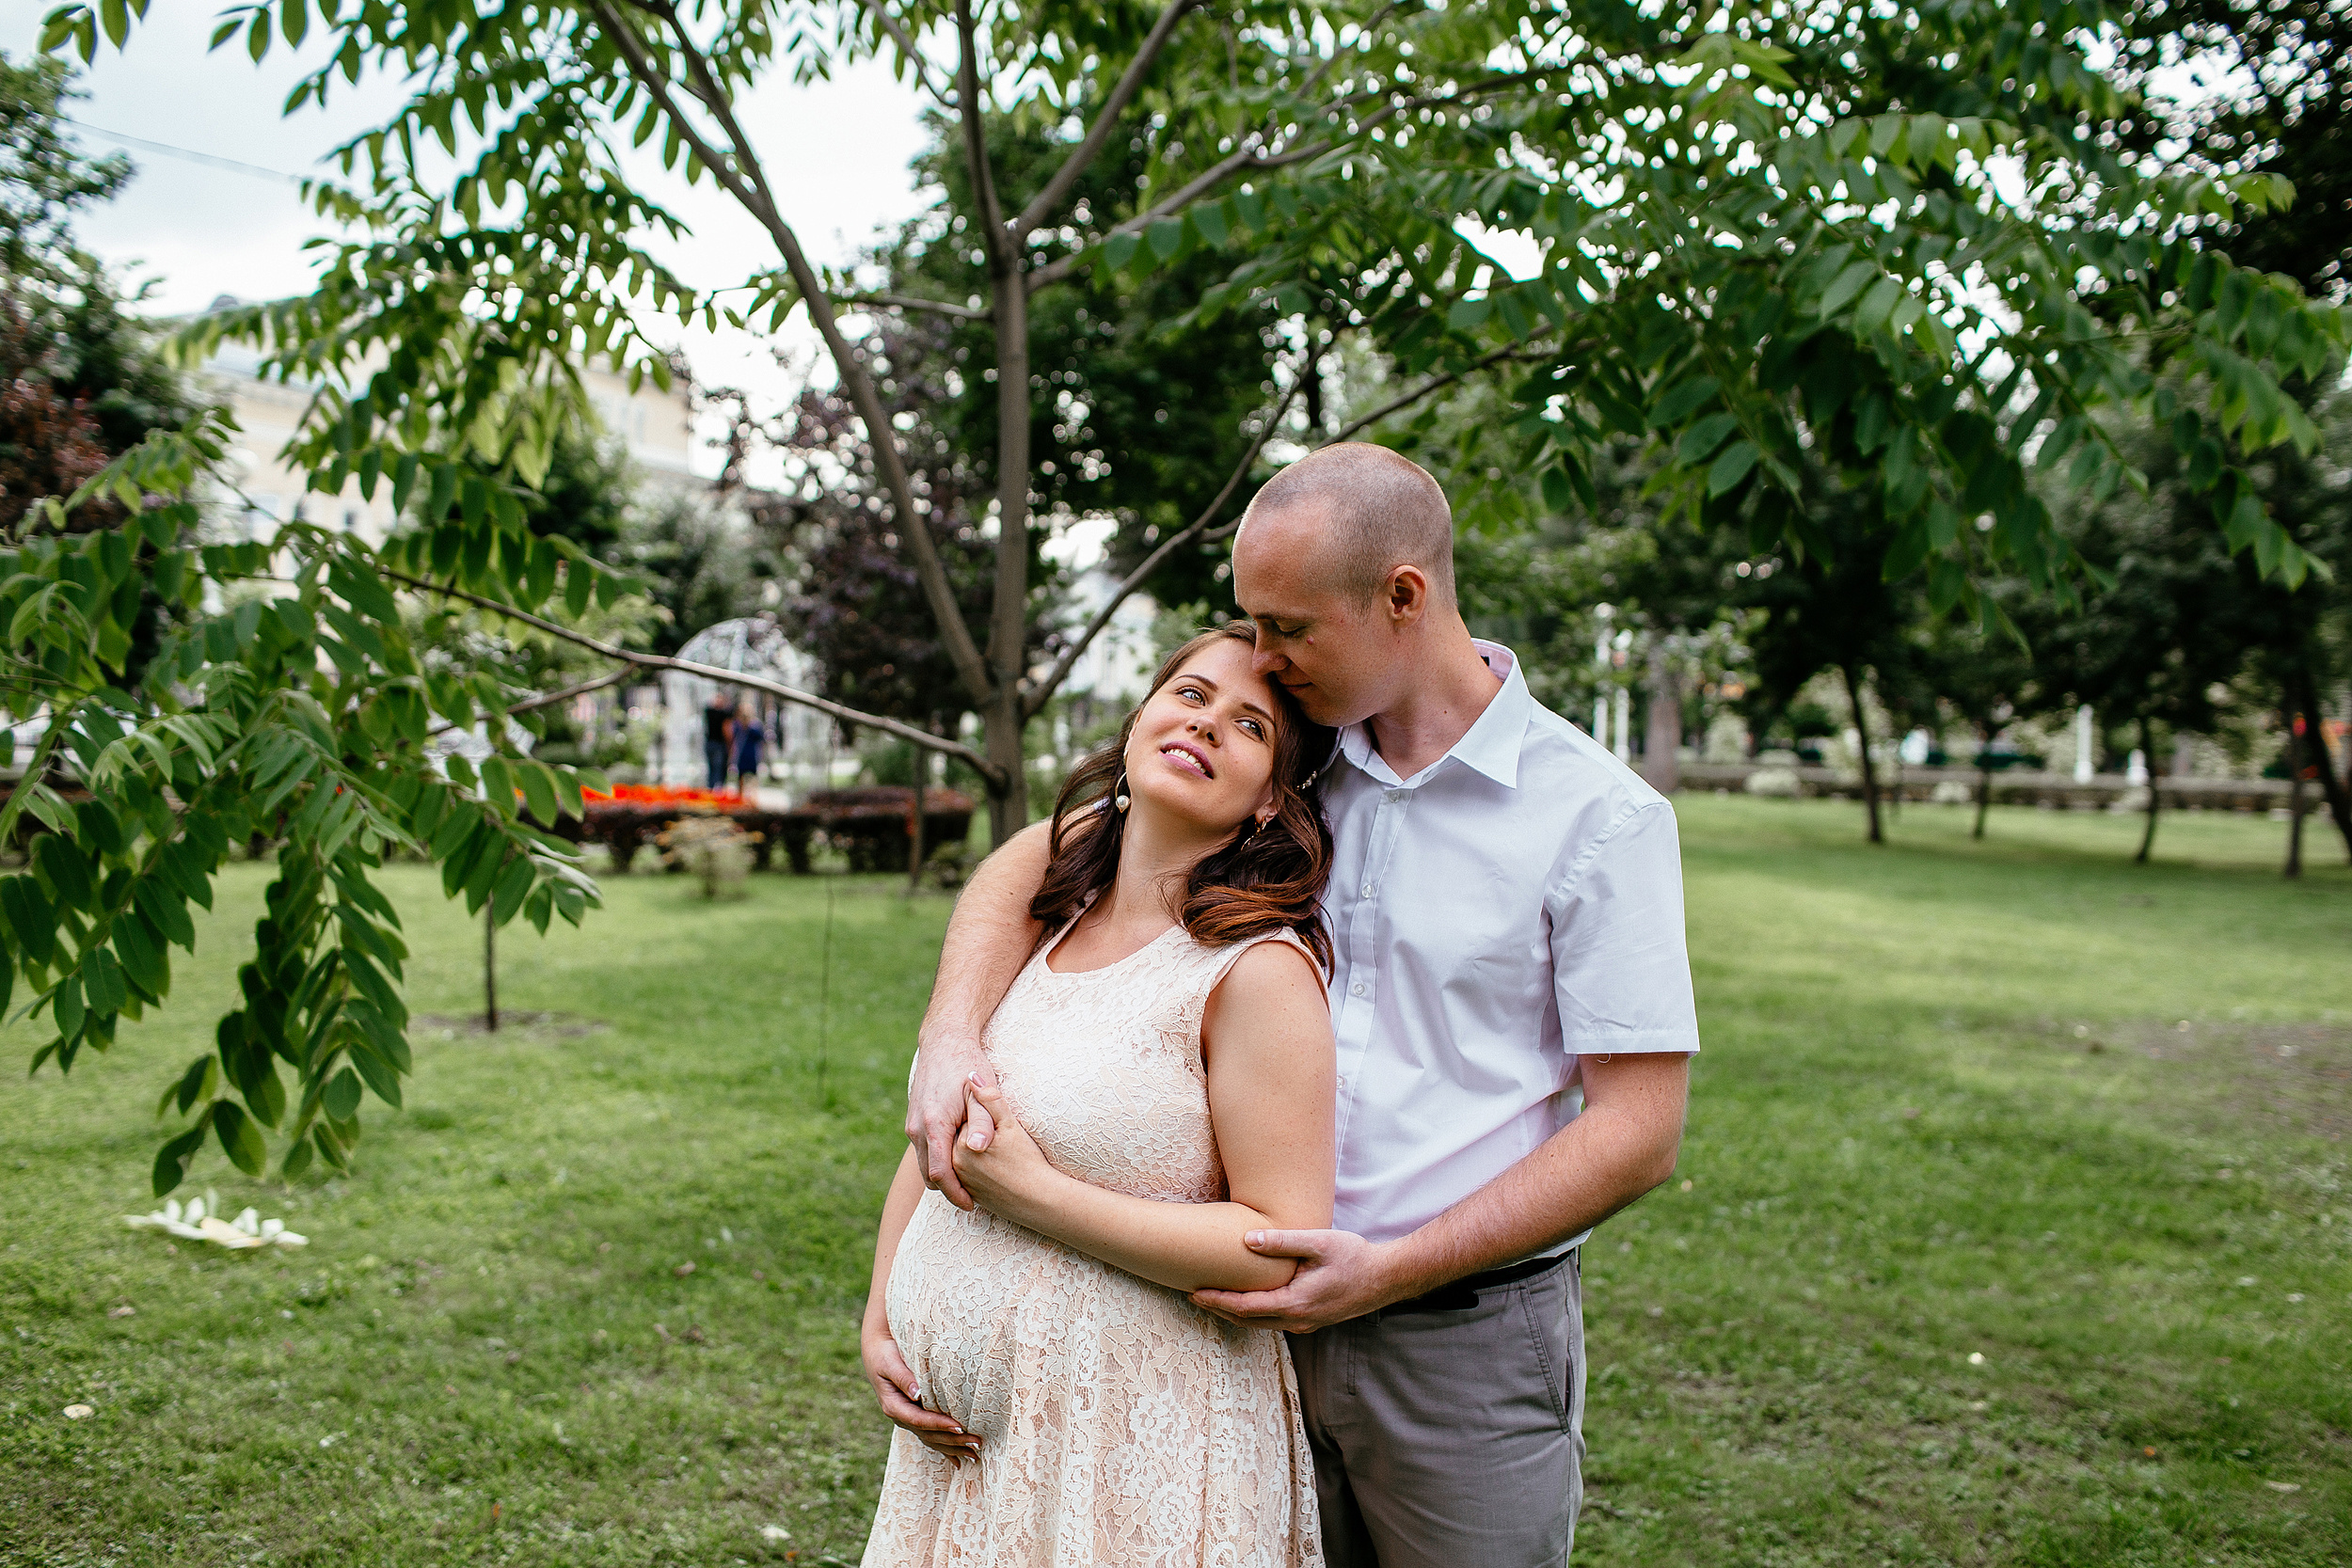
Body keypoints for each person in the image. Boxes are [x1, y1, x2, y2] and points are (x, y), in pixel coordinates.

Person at [906, 443, 1699, 1567]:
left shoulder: (1598, 819)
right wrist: (947, 1039)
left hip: (1454, 1339)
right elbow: (1036, 862)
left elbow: (1638, 1130)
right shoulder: (1292, 762)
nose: (1264, 659)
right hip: (1212, 1321)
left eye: (1287, 625)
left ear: (1402, 597)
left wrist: (1389, 1267)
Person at [860, 623, 1342, 1568]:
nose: (1206, 725)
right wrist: (883, 1311)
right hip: (967, 1462)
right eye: (1192, 694)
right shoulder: (1044, 923)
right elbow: (942, 1127)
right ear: (1137, 721)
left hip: (1130, 1455)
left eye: (1249, 726)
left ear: (1266, 803)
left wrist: (1033, 1193)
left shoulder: (1254, 971)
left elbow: (1278, 1241)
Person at [702, 689, 734, 791]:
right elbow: (727, 730)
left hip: (710, 744)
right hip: (719, 744)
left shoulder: (709, 712)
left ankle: (711, 789)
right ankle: (717, 791)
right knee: (718, 769)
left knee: (712, 768)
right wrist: (730, 745)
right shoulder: (723, 714)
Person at [730, 703, 766, 794]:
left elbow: (760, 739)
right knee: (741, 775)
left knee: (753, 776)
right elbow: (733, 737)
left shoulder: (755, 726)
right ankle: (740, 795)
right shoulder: (737, 725)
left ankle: (753, 795)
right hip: (742, 753)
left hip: (751, 754)